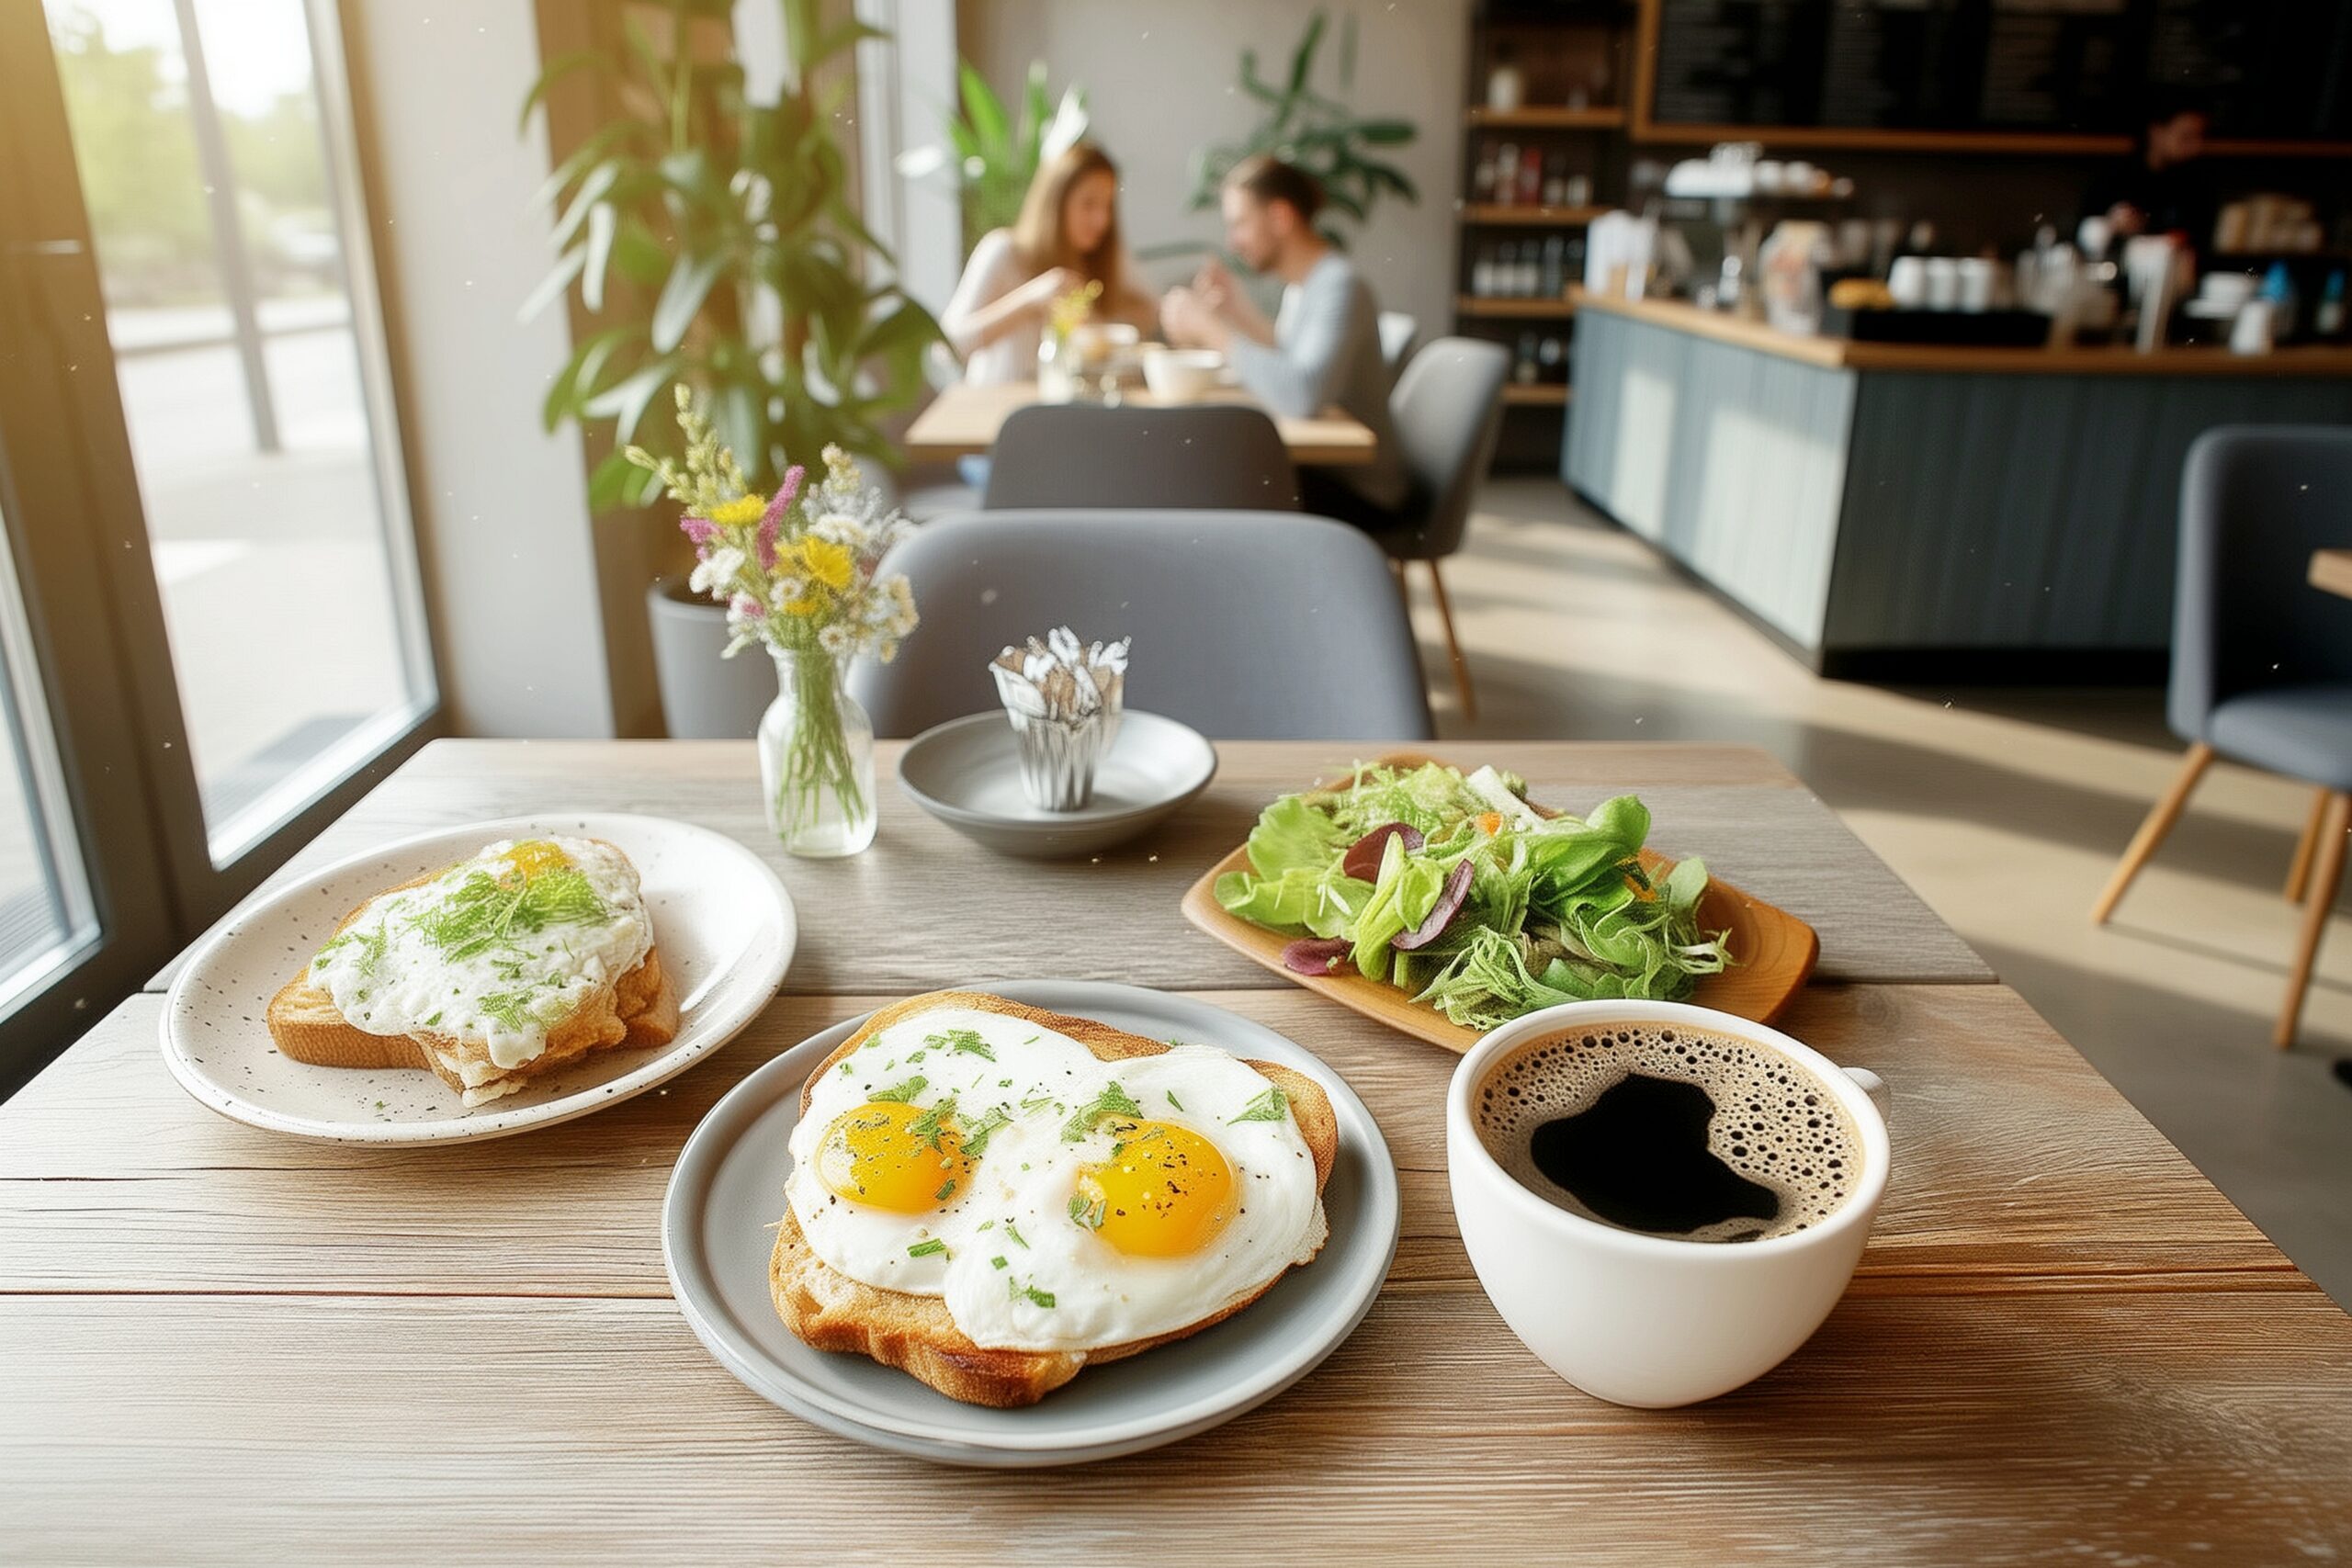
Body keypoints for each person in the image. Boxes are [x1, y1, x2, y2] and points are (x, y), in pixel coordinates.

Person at [1159, 155, 1408, 530]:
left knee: (1210, 486)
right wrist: (1237, 311)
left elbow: (1301, 394)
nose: (1233, 241)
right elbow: (1289, 358)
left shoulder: (1340, 286)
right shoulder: (1305, 285)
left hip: (1361, 492)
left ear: (1280, 217)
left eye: (1240, 223)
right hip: (1321, 474)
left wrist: (1213, 331)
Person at [938, 140, 1157, 387]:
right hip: (996, 404)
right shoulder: (1003, 252)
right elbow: (946, 350)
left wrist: (1097, 319)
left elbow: (1150, 313)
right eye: (1089, 204)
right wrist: (1030, 300)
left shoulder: (1098, 259)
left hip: (1063, 404)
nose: (1101, 220)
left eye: (1107, 206)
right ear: (1056, 202)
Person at [2082, 88, 2218, 253]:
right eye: (2186, 137)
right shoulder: (2115, 178)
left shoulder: (2198, 182)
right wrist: (2112, 224)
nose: (2197, 147)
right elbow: (2083, 236)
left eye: (2201, 137)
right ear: (2156, 132)